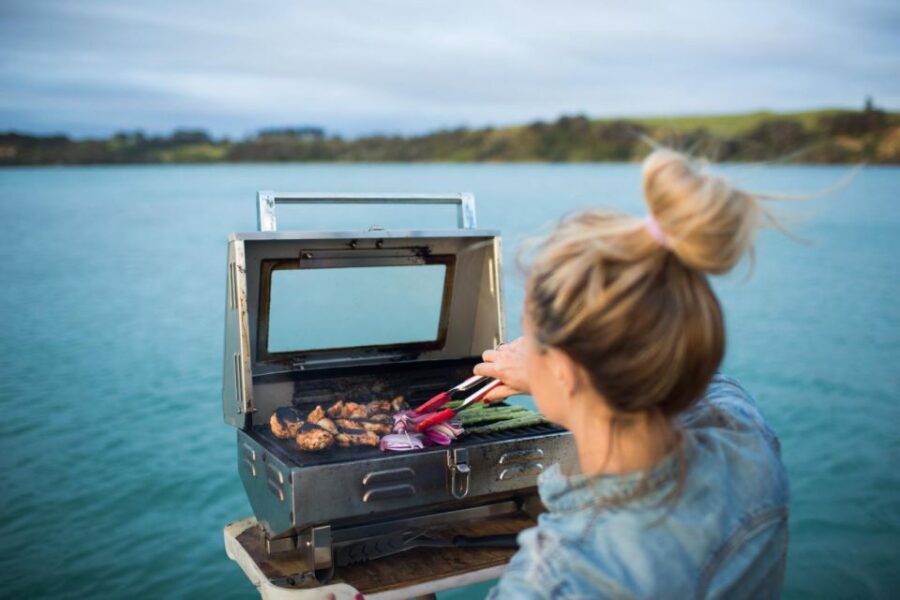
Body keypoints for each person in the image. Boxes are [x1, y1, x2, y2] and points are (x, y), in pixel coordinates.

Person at [475, 149, 789, 599]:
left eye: (531, 341)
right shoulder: (748, 444)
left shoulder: (555, 581)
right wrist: (561, 372)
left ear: (566, 370)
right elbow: (685, 369)